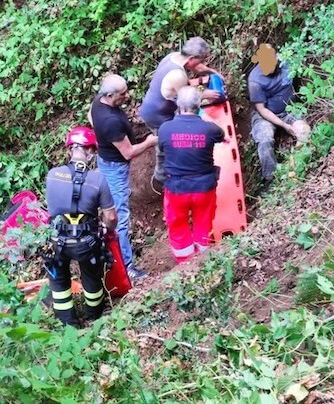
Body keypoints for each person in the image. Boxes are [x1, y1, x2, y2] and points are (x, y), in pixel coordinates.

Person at [45, 126, 118, 326]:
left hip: (57, 241)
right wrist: (107, 229)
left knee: (59, 279)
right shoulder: (97, 178)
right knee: (91, 276)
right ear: (91, 151)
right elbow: (111, 217)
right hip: (86, 243)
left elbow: (53, 210)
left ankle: (67, 323)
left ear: (70, 150)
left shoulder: (52, 175)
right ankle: (93, 318)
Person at [88, 74, 158, 280]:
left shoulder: (98, 103)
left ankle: (119, 251)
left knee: (116, 209)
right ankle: (127, 266)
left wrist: (102, 138)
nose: (127, 96)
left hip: (106, 161)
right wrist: (149, 142)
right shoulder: (109, 122)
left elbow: (91, 117)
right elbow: (128, 153)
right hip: (114, 168)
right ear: (109, 95)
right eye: (123, 94)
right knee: (119, 216)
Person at [139, 37, 222, 194]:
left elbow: (195, 68)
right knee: (165, 145)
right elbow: (188, 96)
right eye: (199, 61)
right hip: (157, 114)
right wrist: (207, 94)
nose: (199, 65)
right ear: (191, 58)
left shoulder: (174, 56)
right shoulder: (178, 74)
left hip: (153, 106)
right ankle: (162, 179)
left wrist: (210, 71)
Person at [158, 86, 225, 263]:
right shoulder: (210, 129)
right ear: (199, 105)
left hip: (176, 189)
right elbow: (222, 134)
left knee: (178, 225)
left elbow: (163, 149)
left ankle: (185, 264)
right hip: (204, 188)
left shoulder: (165, 129)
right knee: (203, 223)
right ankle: (203, 261)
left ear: (178, 104)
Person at [248, 43, 311, 186]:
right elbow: (262, 109)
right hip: (265, 115)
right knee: (264, 139)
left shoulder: (287, 63)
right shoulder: (255, 80)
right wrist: (284, 125)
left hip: (290, 109)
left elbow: (301, 74)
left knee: (304, 131)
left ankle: (295, 167)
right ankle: (271, 179)